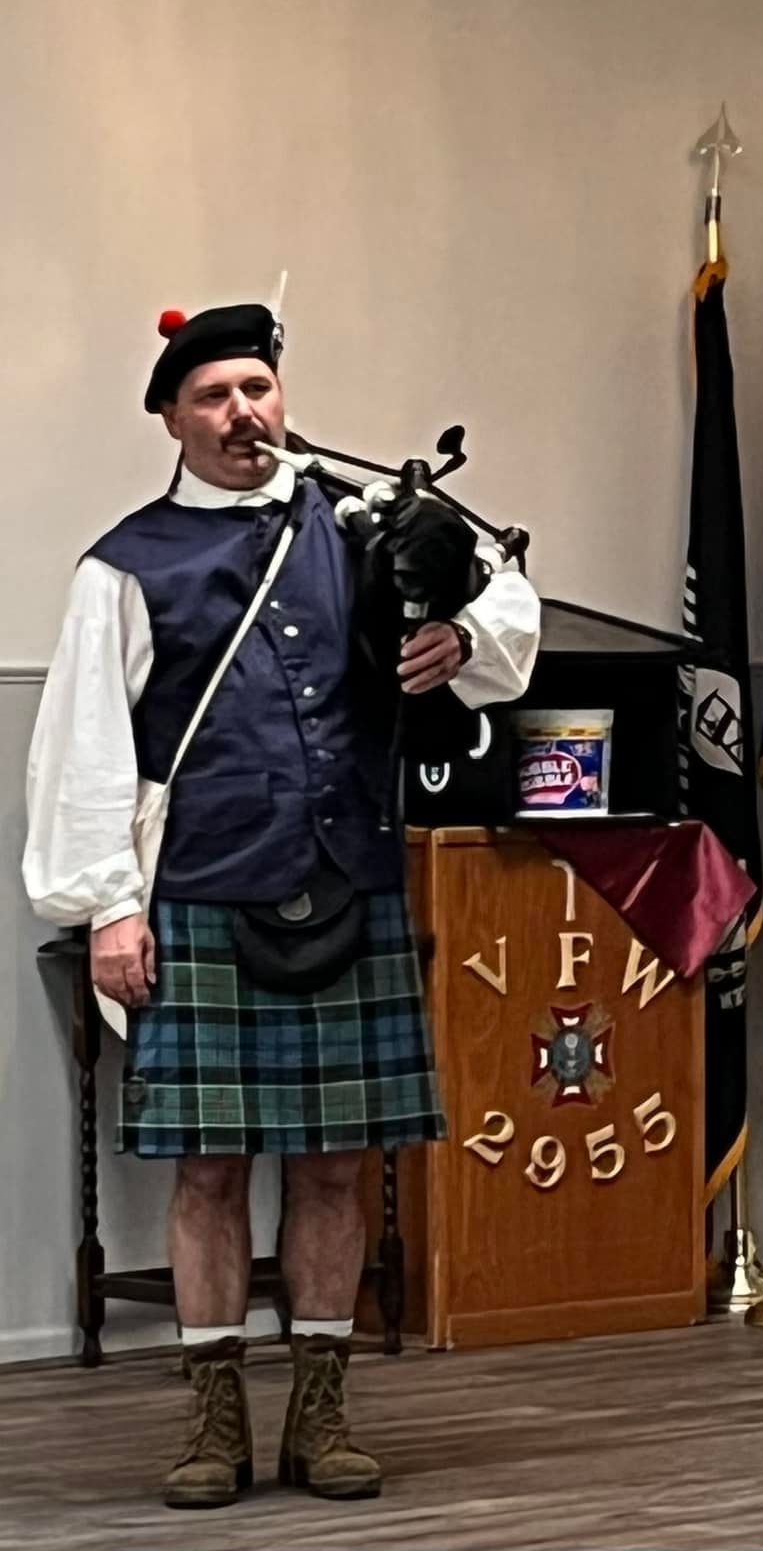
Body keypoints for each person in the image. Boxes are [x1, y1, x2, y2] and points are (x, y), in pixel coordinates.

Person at [22, 301, 540, 1509]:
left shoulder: (359, 522)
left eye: (256, 386)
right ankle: (214, 1421)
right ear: (171, 417)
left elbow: (511, 597)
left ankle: (321, 1410)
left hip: (350, 879)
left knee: (336, 1168)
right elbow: (86, 745)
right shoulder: (126, 563)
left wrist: (459, 636)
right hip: (201, 890)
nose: (241, 411)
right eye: (213, 395)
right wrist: (107, 906)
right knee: (206, 1172)